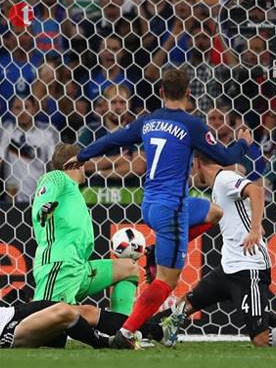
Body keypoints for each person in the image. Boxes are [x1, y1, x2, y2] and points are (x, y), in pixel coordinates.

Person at [68, 68, 252, 349]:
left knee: (215, 212)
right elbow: (226, 156)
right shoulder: (192, 125)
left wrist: (81, 155)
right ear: (189, 94)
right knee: (167, 281)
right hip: (173, 209)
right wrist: (243, 143)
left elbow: (112, 140)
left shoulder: (148, 121)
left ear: (162, 92)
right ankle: (127, 333)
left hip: (150, 203)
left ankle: (156, 252)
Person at [160, 154, 276, 349]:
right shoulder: (218, 185)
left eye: (191, 165)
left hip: (248, 268)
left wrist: (255, 228)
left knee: (261, 339)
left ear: (197, 162)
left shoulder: (224, 179)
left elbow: (256, 191)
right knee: (185, 305)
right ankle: (157, 332)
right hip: (229, 267)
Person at [31, 143, 139, 316]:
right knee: (45, 324)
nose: (86, 167)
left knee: (128, 269)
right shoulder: (57, 177)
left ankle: (124, 331)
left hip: (79, 268)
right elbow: (44, 197)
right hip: (60, 265)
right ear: (75, 163)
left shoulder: (72, 190)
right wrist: (43, 209)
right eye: (83, 162)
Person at [0, 300, 167, 349]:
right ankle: (107, 343)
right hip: (9, 331)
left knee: (88, 311)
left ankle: (157, 332)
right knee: (65, 312)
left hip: (14, 312)